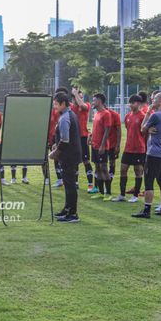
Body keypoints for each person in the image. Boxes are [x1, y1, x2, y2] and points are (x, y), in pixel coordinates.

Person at [132, 92, 161, 218]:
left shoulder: (156, 115)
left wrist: (148, 113)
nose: (152, 101)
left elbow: (142, 128)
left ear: (160, 101)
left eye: (154, 99)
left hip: (154, 152)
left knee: (149, 181)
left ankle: (146, 210)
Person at [49, 92, 82, 223]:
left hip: (69, 156)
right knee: (68, 184)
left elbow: (65, 140)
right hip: (70, 155)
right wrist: (56, 145)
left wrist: (55, 153)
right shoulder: (69, 114)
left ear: (63, 103)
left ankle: (72, 214)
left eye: (56, 104)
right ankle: (67, 209)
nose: (55, 107)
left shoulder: (65, 117)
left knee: (70, 185)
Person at [112, 95, 146, 203]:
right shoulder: (128, 116)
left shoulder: (143, 116)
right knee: (123, 170)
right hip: (128, 148)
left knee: (138, 171)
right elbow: (128, 128)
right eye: (130, 103)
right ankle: (122, 195)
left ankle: (135, 195)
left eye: (133, 103)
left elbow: (145, 133)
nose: (131, 105)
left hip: (139, 149)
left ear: (139, 104)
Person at [88, 93, 112, 200]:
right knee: (97, 168)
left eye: (94, 100)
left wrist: (102, 146)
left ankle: (108, 193)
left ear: (100, 101)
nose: (93, 102)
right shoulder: (96, 113)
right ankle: (101, 192)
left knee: (103, 168)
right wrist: (91, 136)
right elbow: (95, 128)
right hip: (94, 145)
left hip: (101, 147)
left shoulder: (106, 113)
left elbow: (107, 131)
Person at [71, 88, 94, 190]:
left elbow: (81, 105)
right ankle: (75, 182)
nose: (80, 99)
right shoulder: (71, 108)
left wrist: (76, 93)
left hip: (83, 137)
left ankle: (90, 184)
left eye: (81, 97)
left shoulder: (86, 105)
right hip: (73, 138)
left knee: (86, 160)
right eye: (78, 97)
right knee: (75, 161)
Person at [51, 87, 69, 187]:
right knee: (56, 159)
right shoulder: (54, 110)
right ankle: (60, 179)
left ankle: (68, 179)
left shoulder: (67, 114)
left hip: (64, 138)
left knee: (63, 158)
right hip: (55, 136)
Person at [106, 105, 122, 193]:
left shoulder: (114, 115)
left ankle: (108, 186)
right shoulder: (98, 113)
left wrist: (118, 145)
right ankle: (98, 187)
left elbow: (119, 130)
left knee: (111, 163)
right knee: (100, 166)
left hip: (112, 144)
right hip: (101, 144)